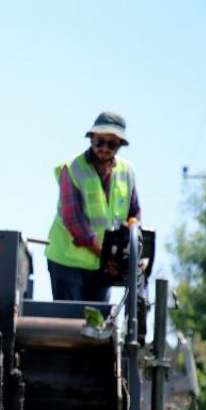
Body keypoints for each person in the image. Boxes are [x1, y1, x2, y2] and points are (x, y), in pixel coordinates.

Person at [45, 111, 141, 302]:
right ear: (91, 139)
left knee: (98, 325)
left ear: (120, 145)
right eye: (99, 142)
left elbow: (134, 215)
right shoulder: (73, 168)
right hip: (67, 261)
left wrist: (132, 255)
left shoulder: (127, 172)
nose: (104, 148)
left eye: (111, 144)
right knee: (69, 325)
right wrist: (106, 258)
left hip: (102, 265)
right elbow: (74, 221)